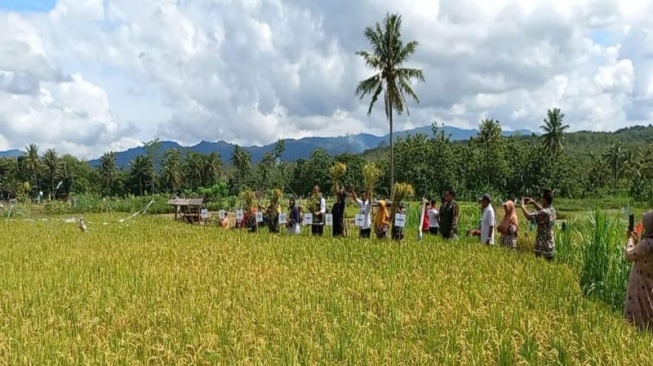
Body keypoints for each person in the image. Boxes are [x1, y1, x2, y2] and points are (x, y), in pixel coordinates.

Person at [623, 211, 653, 333]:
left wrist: (630, 239)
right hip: (649, 287)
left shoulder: (645, 244)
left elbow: (629, 255)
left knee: (637, 320)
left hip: (639, 289)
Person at [520, 189, 557, 261]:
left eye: (542, 198)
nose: (541, 200)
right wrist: (533, 203)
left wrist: (522, 206)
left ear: (545, 199)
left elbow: (529, 216)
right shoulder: (552, 210)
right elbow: (542, 210)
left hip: (543, 247)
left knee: (542, 268)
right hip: (550, 245)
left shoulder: (544, 213)